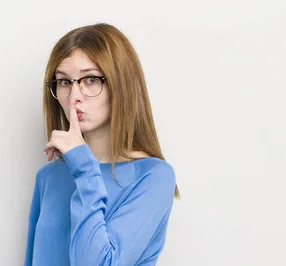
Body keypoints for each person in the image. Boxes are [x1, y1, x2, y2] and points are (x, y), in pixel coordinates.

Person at [24, 23, 180, 266]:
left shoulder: (154, 176)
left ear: (121, 84)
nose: (74, 96)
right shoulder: (49, 177)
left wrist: (84, 169)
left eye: (90, 79)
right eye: (64, 82)